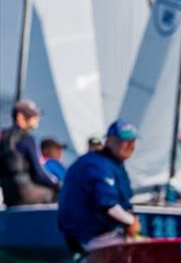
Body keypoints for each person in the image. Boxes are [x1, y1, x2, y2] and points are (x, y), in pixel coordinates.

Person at [58, 120, 141, 253]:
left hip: (95, 235)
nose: (130, 146)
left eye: (133, 141)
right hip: (88, 238)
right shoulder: (98, 166)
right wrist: (131, 221)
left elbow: (123, 203)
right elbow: (108, 206)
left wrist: (130, 218)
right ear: (109, 141)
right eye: (124, 141)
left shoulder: (113, 164)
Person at [0, 99, 59, 206]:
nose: (37, 119)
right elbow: (39, 174)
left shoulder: (3, 137)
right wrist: (57, 184)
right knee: (56, 194)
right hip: (26, 193)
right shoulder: (27, 139)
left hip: (8, 195)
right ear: (20, 117)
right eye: (33, 116)